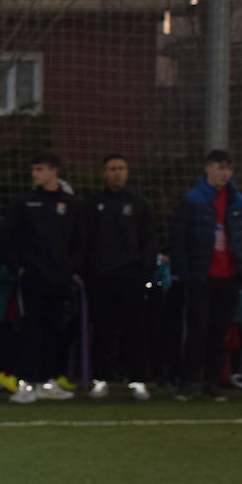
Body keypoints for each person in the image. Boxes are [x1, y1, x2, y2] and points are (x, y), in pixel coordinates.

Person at [0, 152, 85, 403]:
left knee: (55, 330)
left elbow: (80, 242)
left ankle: (49, 380)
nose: (35, 174)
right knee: (28, 330)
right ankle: (25, 383)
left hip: (59, 280)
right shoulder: (24, 203)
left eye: (41, 169)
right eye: (34, 169)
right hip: (31, 279)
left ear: (55, 172)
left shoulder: (72, 204)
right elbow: (7, 238)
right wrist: (18, 268)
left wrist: (70, 268)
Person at [168, 149, 242, 401]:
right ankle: (188, 381)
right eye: (219, 167)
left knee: (220, 331)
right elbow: (178, 239)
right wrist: (186, 273)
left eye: (228, 168)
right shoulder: (192, 200)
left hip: (229, 276)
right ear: (207, 168)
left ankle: (211, 382)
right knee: (197, 329)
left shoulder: (240, 202)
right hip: (202, 276)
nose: (224, 173)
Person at [84, 154, 155, 401]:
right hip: (101, 279)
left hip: (131, 279)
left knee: (135, 331)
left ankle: (137, 380)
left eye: (121, 168)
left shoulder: (140, 204)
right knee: (103, 331)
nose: (117, 173)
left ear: (128, 172)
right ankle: (100, 379)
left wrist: (144, 275)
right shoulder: (93, 204)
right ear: (104, 173)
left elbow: (148, 242)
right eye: (112, 169)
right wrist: (89, 271)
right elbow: (85, 241)